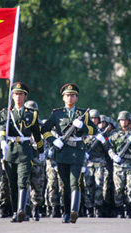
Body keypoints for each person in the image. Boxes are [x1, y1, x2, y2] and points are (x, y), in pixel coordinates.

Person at [41, 83, 97, 223]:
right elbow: (45, 130)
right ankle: (66, 213)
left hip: (77, 152)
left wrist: (83, 126)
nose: (70, 98)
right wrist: (53, 140)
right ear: (63, 98)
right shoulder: (56, 114)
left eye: (72, 95)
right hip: (62, 151)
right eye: (67, 95)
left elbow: (94, 130)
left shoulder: (83, 114)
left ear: (76, 98)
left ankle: (74, 211)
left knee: (75, 183)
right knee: (65, 185)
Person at [0, 82, 45, 223]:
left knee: (22, 181)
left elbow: (37, 134)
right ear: (12, 96)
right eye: (15, 94)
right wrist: (2, 141)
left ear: (25, 96)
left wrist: (41, 150)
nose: (18, 97)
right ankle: (14, 211)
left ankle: (21, 210)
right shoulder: (6, 113)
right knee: (12, 184)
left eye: (20, 94)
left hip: (25, 150)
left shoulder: (32, 115)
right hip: (10, 150)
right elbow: (2, 129)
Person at [108, 111, 131, 218]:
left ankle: (130, 210)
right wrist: (113, 156)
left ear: (129, 121)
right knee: (118, 188)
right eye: (121, 120)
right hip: (118, 165)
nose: (123, 122)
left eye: (125, 120)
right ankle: (119, 210)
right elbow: (109, 148)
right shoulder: (115, 135)